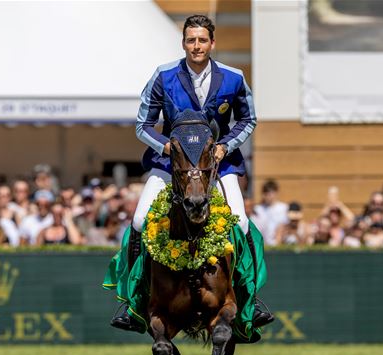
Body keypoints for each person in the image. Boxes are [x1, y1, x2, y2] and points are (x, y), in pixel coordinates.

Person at [110, 15, 273, 332]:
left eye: (201, 40)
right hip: (172, 164)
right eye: (190, 40)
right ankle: (132, 303)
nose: (196, 46)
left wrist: (226, 145)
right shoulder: (164, 75)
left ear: (212, 43)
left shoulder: (234, 78)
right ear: (183, 42)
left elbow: (248, 120)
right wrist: (165, 147)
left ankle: (249, 298)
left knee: (239, 220)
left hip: (218, 164)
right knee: (140, 220)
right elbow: (143, 125)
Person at [252, 180, 288, 246]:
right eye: (266, 193)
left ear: (276, 193)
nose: (268, 196)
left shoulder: (283, 208)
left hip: (279, 244)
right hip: (261, 244)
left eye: (271, 193)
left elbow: (285, 228)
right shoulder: (258, 209)